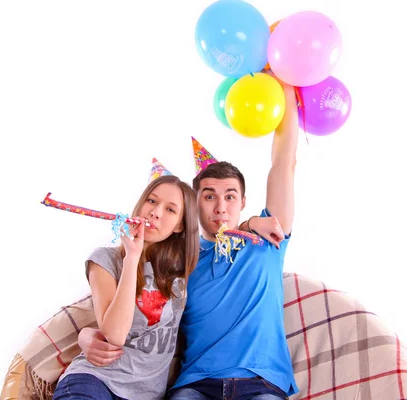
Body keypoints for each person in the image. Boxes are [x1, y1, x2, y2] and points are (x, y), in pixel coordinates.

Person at [78, 76, 299, 399]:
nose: (221, 207)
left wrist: (289, 83)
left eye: (230, 197)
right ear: (193, 208)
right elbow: (130, 314)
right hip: (195, 385)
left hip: (261, 382)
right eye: (209, 197)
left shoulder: (269, 239)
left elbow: (284, 163)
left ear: (243, 203)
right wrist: (85, 335)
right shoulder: (179, 264)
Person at [53, 174, 199, 400]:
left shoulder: (183, 269)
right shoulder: (105, 260)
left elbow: (224, 231)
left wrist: (251, 223)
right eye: (151, 201)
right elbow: (115, 335)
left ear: (180, 225)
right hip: (95, 380)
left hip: (146, 394)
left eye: (170, 210)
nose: (155, 212)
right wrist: (132, 257)